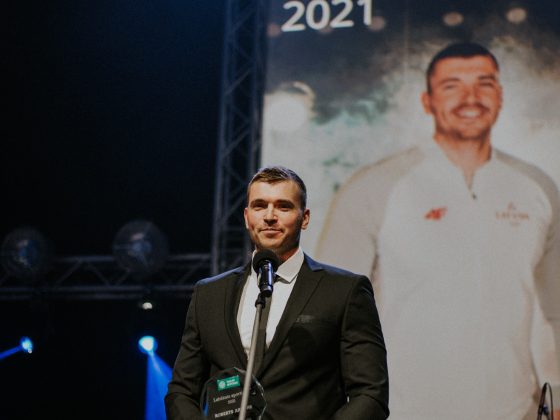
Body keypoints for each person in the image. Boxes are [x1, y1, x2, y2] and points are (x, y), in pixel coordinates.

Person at [316, 42, 560, 420]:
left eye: (484, 84)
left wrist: (557, 398)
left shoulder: (537, 188)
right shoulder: (373, 188)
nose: (470, 98)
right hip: (403, 412)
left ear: (500, 96)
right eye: (452, 86)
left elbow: (555, 310)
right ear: (427, 101)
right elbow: (327, 316)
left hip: (515, 412)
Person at [166, 166, 389, 419]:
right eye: (260, 206)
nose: (270, 216)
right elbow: (181, 391)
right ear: (247, 216)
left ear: (305, 218)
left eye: (283, 207)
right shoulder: (209, 294)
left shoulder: (345, 290)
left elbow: (370, 393)